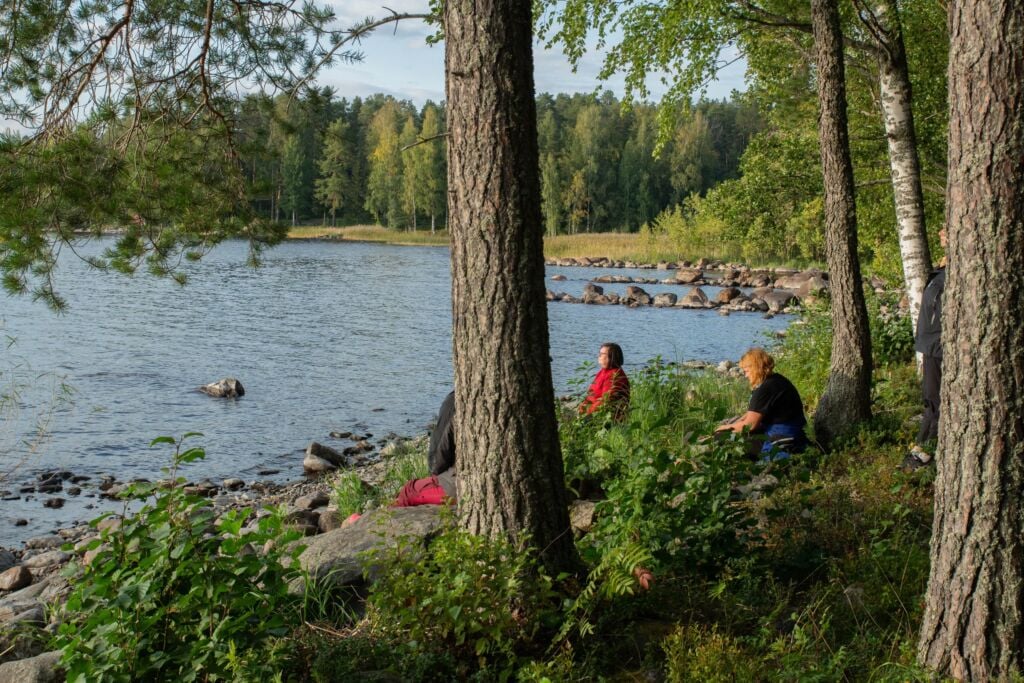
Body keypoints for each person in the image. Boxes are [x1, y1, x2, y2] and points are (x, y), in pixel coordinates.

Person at [902, 228, 946, 472]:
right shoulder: (943, 268)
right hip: (931, 345)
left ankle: (925, 455)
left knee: (936, 401)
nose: (940, 232)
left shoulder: (958, 270)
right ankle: (922, 451)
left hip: (939, 346)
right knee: (931, 400)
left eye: (946, 229)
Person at [715, 347, 807, 458]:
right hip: (795, 432)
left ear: (756, 368)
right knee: (732, 424)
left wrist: (725, 429)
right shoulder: (778, 380)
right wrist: (733, 423)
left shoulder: (764, 389)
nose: (745, 375)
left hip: (782, 436)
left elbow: (750, 425)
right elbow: (754, 412)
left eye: (746, 371)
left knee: (720, 437)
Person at [395, 390, 457, 506]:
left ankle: (367, 521)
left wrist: (434, 476)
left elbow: (439, 456)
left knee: (408, 491)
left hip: (460, 486)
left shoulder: (456, 400)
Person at [580, 342, 631, 420]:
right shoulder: (603, 371)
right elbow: (591, 394)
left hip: (604, 417)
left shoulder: (615, 375)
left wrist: (587, 413)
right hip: (593, 412)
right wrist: (582, 408)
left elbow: (606, 401)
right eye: (599, 353)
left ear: (611, 357)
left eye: (602, 354)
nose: (599, 356)